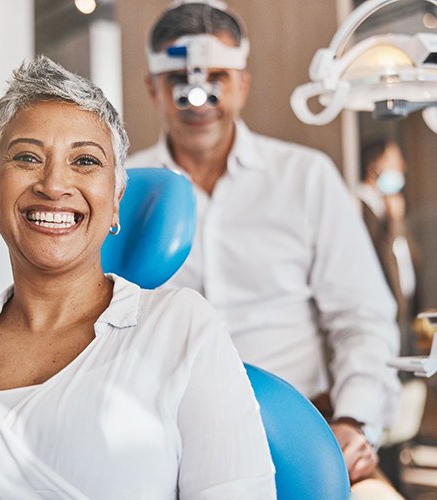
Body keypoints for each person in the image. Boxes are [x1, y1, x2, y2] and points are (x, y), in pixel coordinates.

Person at [0, 55, 276, 499]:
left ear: (116, 200)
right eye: (26, 157)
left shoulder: (180, 327)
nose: (54, 184)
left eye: (85, 161)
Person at [127, 0, 402, 488]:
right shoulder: (123, 192)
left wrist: (355, 420)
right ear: (153, 89)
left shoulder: (306, 178)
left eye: (217, 79)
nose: (199, 99)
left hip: (309, 430)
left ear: (243, 84)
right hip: (169, 443)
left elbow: (362, 317)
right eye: (180, 83)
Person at [357, 137, 419, 355]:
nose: (402, 168)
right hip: (379, 310)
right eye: (394, 161)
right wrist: (393, 221)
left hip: (403, 308)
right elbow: (378, 254)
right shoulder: (359, 205)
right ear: (374, 166)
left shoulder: (391, 202)